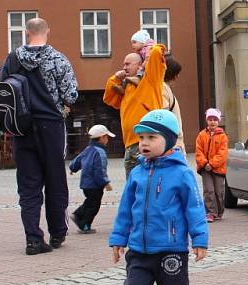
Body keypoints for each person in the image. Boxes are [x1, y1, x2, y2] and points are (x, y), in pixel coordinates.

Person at [109, 109, 208, 285]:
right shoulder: (137, 173)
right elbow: (125, 209)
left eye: (151, 137)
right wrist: (119, 238)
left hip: (171, 250)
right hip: (139, 250)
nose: (144, 143)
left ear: (169, 140)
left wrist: (199, 239)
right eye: (141, 137)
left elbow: (195, 207)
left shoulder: (182, 172)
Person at [0, 17, 78, 255]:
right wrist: (62, 107)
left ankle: (33, 238)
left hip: (21, 127)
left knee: (28, 184)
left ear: (26, 33)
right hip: (51, 126)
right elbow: (71, 93)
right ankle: (57, 233)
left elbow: (2, 89)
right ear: (48, 32)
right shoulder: (58, 58)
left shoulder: (12, 58)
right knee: (55, 180)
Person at [103, 44, 166, 179]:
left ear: (140, 66)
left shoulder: (150, 81)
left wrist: (147, 48)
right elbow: (108, 99)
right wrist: (115, 78)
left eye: (127, 64)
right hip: (129, 145)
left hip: (147, 142)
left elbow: (156, 52)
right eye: (123, 64)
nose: (124, 67)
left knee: (147, 183)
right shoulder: (127, 86)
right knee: (132, 186)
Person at [69, 124, 115, 234]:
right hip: (95, 184)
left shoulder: (88, 149)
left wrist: (72, 168)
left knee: (90, 201)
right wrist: (105, 183)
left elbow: (77, 160)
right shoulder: (101, 152)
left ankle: (77, 214)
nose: (107, 139)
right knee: (94, 206)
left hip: (85, 184)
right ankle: (85, 224)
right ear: (102, 138)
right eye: (106, 137)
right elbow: (99, 170)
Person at [195, 108, 229, 223]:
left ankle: (219, 212)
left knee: (219, 191)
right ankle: (210, 213)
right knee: (209, 190)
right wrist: (205, 163)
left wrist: (212, 163)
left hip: (218, 169)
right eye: (210, 119)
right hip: (205, 169)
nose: (212, 122)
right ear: (207, 121)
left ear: (218, 121)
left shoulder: (223, 136)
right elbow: (198, 151)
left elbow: (222, 153)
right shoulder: (201, 135)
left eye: (215, 119)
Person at [162, 55, 185, 152]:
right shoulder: (162, 88)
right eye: (177, 73)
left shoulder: (165, 88)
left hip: (174, 141)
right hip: (172, 143)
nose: (178, 77)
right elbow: (165, 116)